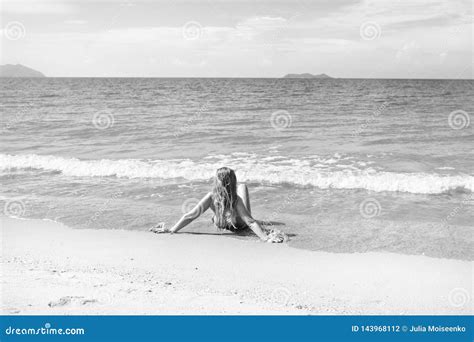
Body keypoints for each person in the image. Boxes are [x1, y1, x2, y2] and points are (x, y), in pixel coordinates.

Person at [150, 167, 285, 242]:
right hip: (240, 224)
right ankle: (256, 219)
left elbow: (191, 216)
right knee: (243, 188)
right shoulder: (236, 199)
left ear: (216, 182)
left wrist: (172, 230)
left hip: (221, 222)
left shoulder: (211, 197)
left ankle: (252, 219)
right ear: (232, 182)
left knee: (237, 211)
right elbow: (250, 222)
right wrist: (265, 238)